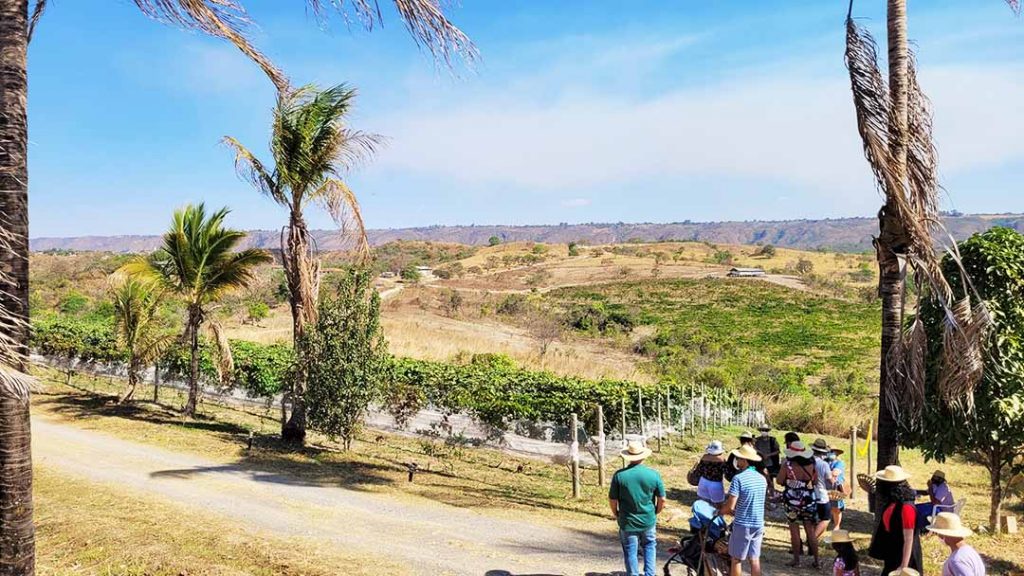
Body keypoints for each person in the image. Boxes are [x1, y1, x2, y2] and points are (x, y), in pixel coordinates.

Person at [610, 439, 666, 576]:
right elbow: (662, 499)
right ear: (643, 456)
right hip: (648, 519)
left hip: (627, 521)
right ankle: (650, 574)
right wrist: (656, 512)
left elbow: (613, 499)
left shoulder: (619, 475)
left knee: (630, 551)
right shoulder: (654, 475)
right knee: (649, 547)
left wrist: (616, 513)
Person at [868, 466, 923, 576]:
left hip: (904, 555)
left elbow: (908, 539)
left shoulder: (906, 508)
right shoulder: (893, 500)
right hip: (893, 551)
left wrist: (904, 566)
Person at [721, 444, 767, 576]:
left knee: (736, 559)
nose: (737, 461)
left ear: (745, 460)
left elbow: (730, 506)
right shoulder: (762, 479)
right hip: (758, 523)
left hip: (743, 524)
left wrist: (720, 511)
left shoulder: (738, 479)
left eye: (739, 458)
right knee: (754, 559)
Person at [777, 441, 821, 568]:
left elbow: (779, 481)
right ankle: (817, 561)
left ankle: (796, 560)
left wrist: (790, 481)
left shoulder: (788, 465)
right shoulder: (812, 464)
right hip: (808, 500)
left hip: (791, 501)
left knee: (794, 530)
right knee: (810, 531)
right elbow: (816, 481)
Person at [689, 440, 728, 507]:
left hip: (703, 482)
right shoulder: (722, 460)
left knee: (702, 506)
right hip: (716, 484)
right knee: (718, 507)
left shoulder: (704, 457)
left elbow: (699, 470)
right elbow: (727, 473)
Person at [811, 439, 835, 541]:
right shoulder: (824, 464)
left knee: (812, 519)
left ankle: (810, 537)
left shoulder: (808, 461)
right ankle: (812, 539)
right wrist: (834, 479)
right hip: (821, 494)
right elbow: (830, 480)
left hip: (809, 493)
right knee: (826, 518)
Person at [754, 425, 781, 500]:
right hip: (759, 462)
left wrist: (768, 455)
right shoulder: (757, 440)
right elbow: (754, 448)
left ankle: (771, 493)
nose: (764, 432)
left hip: (770, 462)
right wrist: (761, 453)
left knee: (770, 478)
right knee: (759, 478)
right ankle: (761, 493)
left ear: (768, 431)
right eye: (762, 430)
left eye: (765, 430)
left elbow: (778, 451)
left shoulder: (773, 440)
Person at [828, 448, 848, 530]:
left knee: (836, 508)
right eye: (829, 451)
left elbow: (835, 473)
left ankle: (837, 526)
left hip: (836, 488)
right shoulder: (826, 462)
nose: (830, 453)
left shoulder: (840, 463)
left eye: (832, 452)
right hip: (826, 487)